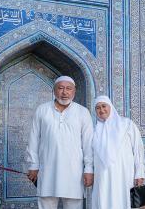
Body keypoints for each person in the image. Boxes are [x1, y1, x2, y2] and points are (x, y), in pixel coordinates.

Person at [26, 76, 94, 209]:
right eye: (61, 88)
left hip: (74, 172)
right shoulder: (42, 110)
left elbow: (88, 144)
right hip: (47, 170)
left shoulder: (82, 112)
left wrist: (89, 169)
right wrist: (33, 166)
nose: (65, 92)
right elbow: (33, 139)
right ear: (54, 90)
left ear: (74, 91)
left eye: (69, 88)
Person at [92, 95, 145, 209]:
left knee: (125, 201)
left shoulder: (127, 124)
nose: (101, 110)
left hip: (124, 174)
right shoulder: (95, 129)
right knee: (103, 200)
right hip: (102, 177)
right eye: (97, 108)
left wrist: (139, 173)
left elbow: (138, 149)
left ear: (110, 106)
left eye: (104, 106)